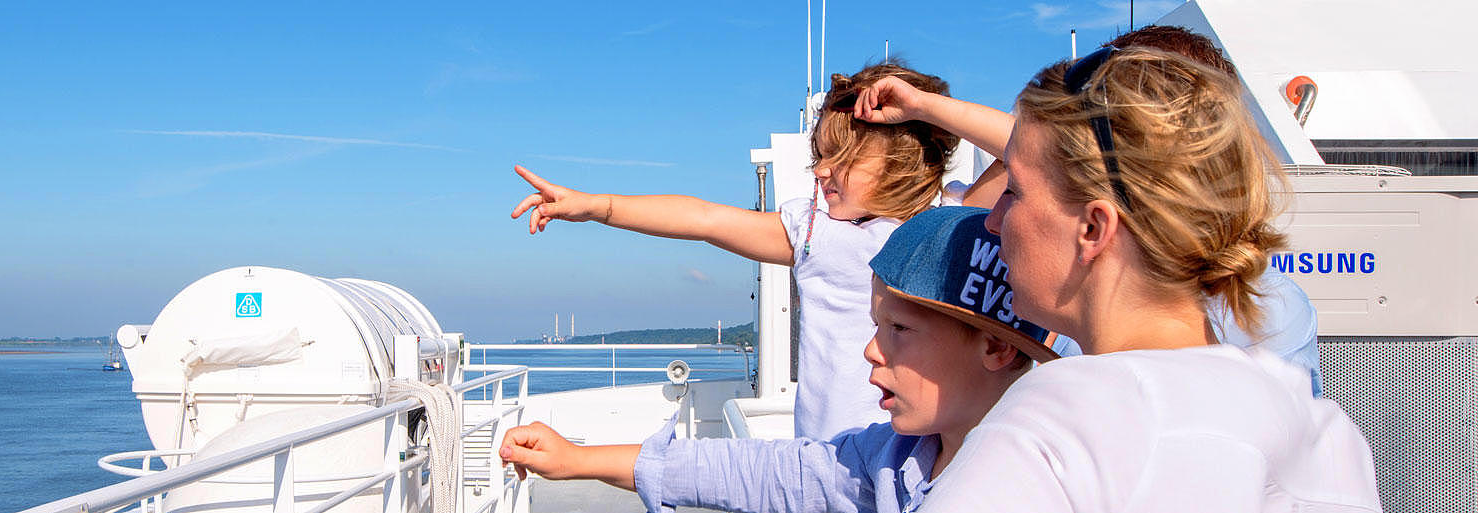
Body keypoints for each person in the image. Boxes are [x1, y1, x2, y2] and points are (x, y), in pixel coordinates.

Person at [916, 45, 1379, 512]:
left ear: (1093, 229)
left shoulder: (1057, 424)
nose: (993, 222)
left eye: (1013, 190)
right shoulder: (1321, 429)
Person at [846, 25, 1324, 394]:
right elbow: (1047, 155)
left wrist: (927, 108)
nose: (995, 220)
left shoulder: (1266, 312)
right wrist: (925, 107)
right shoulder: (1276, 321)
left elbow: (1049, 158)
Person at [499, 206, 1060, 513]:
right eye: (875, 327)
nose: (871, 349)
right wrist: (578, 460)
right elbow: (767, 474)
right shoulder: (890, 460)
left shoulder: (1051, 482)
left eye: (900, 330)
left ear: (995, 346)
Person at [510, 61, 961, 440]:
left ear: (904, 157)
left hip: (909, 465)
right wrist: (596, 206)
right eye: (819, 155)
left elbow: (1024, 145)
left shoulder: (954, 223)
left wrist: (924, 106)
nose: (821, 170)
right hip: (824, 463)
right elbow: (703, 219)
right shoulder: (814, 234)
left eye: (839, 158)